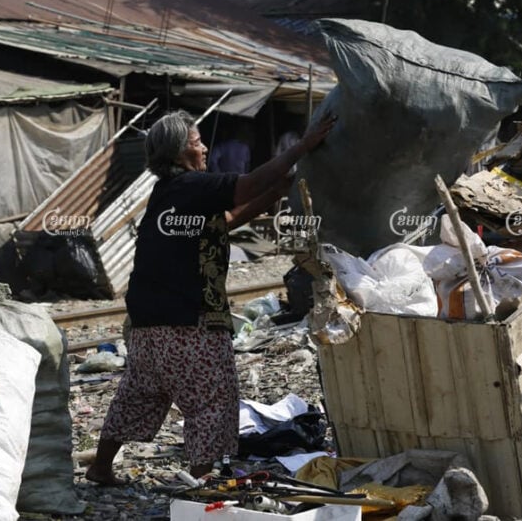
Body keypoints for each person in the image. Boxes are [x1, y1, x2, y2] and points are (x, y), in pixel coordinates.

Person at [84, 109, 335, 485]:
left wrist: (277, 190)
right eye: (198, 142)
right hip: (187, 322)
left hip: (147, 324)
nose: (204, 149)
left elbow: (228, 220)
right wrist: (303, 146)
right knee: (212, 403)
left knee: (139, 395)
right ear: (180, 152)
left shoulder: (168, 192)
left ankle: (101, 467)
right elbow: (245, 186)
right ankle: (203, 484)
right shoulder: (190, 185)